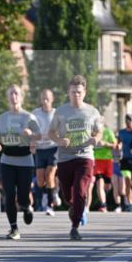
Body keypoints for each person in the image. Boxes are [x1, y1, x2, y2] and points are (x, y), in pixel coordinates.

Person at [48, 75, 102, 241]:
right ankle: (74, 206)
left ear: (84, 92)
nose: (76, 95)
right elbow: (51, 132)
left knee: (80, 190)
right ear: (68, 93)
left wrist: (96, 138)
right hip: (65, 157)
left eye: (79, 92)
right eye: (73, 92)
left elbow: (99, 131)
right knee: (67, 195)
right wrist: (59, 141)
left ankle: (75, 227)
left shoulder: (92, 111)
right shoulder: (60, 111)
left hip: (85, 156)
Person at [0, 85, 40, 240]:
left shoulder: (29, 117)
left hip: (25, 161)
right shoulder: (2, 118)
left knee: (22, 197)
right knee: (9, 194)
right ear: (8, 97)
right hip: (7, 160)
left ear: (21, 97)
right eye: (11, 93)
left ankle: (26, 207)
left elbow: (39, 135)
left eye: (16, 93)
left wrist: (31, 134)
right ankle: (14, 228)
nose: (14, 96)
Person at [33, 89, 60, 214]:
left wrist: (54, 136)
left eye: (47, 98)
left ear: (52, 99)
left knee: (49, 175)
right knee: (40, 180)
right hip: (40, 149)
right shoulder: (35, 113)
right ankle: (49, 192)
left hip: (53, 148)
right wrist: (33, 139)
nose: (45, 101)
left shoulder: (57, 113)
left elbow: (62, 131)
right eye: (43, 98)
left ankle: (49, 205)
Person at [117, 113, 132, 212]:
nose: (128, 122)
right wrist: (118, 146)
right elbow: (119, 142)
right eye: (126, 120)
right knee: (127, 181)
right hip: (125, 159)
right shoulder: (121, 132)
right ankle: (130, 204)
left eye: (130, 120)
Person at [92, 125, 117, 212]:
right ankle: (103, 205)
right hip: (97, 161)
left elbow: (115, 145)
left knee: (107, 186)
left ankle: (106, 198)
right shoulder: (92, 133)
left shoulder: (108, 132)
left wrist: (105, 144)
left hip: (108, 161)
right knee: (99, 182)